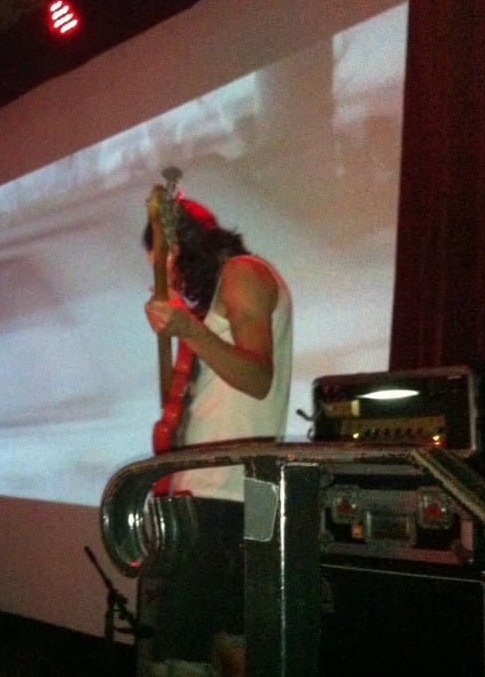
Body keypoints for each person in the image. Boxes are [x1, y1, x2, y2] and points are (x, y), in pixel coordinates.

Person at [143, 195, 293, 677]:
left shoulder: (242, 273)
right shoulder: (222, 294)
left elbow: (258, 378)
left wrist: (189, 329)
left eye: (167, 265)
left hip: (225, 491)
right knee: (229, 640)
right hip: (225, 489)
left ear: (184, 247)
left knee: (182, 649)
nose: (172, 281)